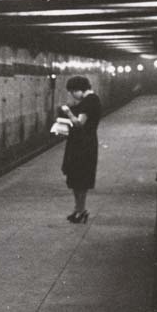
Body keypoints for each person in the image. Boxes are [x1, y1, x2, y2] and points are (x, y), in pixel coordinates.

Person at [59, 76, 101, 223]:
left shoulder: (89, 101)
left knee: (80, 179)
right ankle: (78, 210)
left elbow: (80, 123)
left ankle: (81, 211)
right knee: (77, 179)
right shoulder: (90, 100)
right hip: (82, 143)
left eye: (72, 91)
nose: (71, 95)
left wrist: (68, 112)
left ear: (79, 89)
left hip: (83, 145)